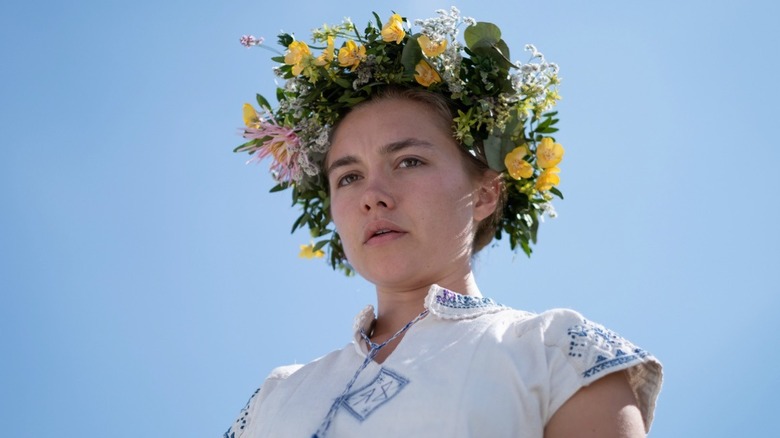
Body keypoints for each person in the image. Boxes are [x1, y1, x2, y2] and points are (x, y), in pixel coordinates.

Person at [227, 8, 662, 437]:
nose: (372, 196)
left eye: (408, 161)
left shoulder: (556, 354)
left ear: (485, 193)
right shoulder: (276, 395)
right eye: (349, 177)